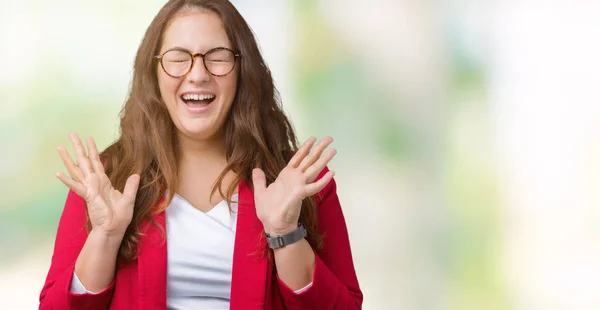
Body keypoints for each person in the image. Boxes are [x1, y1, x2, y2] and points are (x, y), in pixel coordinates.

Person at [38, 0, 362, 309]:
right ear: (154, 73)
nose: (197, 74)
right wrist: (105, 238)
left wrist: (285, 234)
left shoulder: (299, 182)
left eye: (217, 57)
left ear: (242, 69)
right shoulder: (107, 179)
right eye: (178, 58)